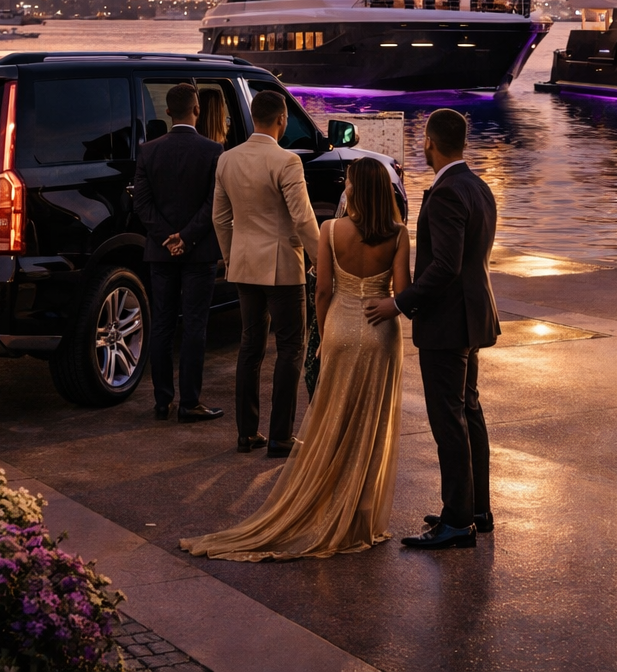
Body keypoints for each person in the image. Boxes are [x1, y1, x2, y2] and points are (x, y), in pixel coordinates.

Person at [181, 159, 410, 560]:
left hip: (339, 327)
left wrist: (322, 336)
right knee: (371, 422)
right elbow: (402, 293)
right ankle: (360, 514)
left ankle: (327, 499)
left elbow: (322, 290)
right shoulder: (398, 234)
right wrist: (386, 303)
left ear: (354, 190)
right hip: (381, 334)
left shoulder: (330, 230)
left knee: (333, 418)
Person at [365, 109, 499, 550]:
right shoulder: (478, 187)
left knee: (449, 420)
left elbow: (445, 265)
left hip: (446, 322)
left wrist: (398, 303)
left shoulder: (444, 194)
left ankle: (457, 521)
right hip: (474, 316)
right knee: (469, 412)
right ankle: (477, 507)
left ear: (430, 142)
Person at [213, 91, 321, 458]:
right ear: (282, 119)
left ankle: (246, 434)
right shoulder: (287, 160)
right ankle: (280, 436)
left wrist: (231, 257)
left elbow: (220, 218)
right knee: (290, 348)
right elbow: (304, 218)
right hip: (283, 268)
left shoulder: (227, 160)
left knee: (250, 348)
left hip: (244, 265)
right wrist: (322, 260)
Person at [133, 83, 225, 424]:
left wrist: (166, 238)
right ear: (196, 110)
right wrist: (187, 237)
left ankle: (162, 401)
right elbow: (214, 203)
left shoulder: (148, 151)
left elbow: (142, 203)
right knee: (195, 325)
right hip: (199, 253)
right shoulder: (213, 150)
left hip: (160, 253)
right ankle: (190, 403)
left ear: (168, 112)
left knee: (162, 326)